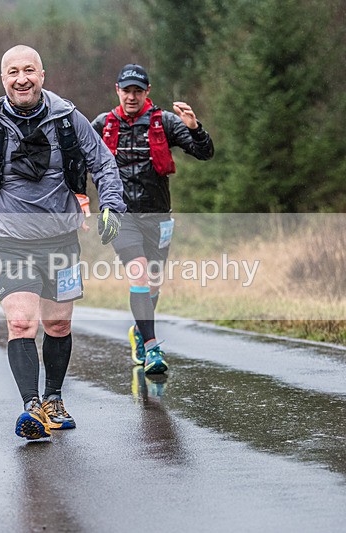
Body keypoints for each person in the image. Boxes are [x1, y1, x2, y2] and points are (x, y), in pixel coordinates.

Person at [0, 45, 126, 440]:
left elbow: (104, 164)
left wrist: (112, 206)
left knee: (58, 324)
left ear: (43, 75)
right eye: (12, 72)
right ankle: (32, 407)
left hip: (61, 241)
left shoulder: (68, 120)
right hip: (9, 242)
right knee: (21, 322)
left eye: (28, 70)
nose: (21, 78)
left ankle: (54, 398)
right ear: (2, 79)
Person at [92, 64, 214, 374]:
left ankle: (138, 330)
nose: (131, 96)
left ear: (147, 92)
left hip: (158, 215)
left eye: (137, 91)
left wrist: (195, 128)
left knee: (154, 283)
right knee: (140, 275)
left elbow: (205, 153)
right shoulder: (102, 124)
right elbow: (76, 158)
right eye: (126, 90)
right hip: (121, 216)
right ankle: (152, 349)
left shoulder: (166, 122)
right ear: (117, 90)